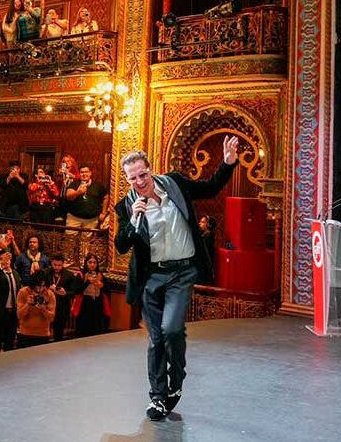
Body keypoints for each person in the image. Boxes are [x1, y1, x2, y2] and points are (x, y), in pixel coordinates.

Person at [114, 136, 239, 421]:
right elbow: (121, 245)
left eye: (143, 174)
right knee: (156, 338)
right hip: (151, 277)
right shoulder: (127, 206)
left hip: (182, 272)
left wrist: (228, 163)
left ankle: (177, 380)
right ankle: (158, 397)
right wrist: (133, 221)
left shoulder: (174, 184)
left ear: (150, 169)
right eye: (133, 178)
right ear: (127, 179)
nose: (139, 181)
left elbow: (209, 189)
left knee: (171, 329)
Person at [0, 249, 22, 353]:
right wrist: (0, 268)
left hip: (13, 312)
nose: (5, 261)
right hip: (0, 312)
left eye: (7, 258)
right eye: (2, 259)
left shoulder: (15, 274)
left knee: (10, 340)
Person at [72, 254, 110, 338]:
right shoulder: (81, 275)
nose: (92, 265)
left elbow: (107, 290)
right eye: (90, 262)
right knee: (83, 331)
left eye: (94, 263)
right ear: (86, 263)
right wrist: (87, 282)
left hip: (97, 307)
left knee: (96, 331)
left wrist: (102, 286)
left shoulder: (100, 275)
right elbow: (77, 290)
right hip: (84, 307)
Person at [16, 271, 55, 347]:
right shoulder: (23, 292)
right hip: (25, 334)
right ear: (33, 284)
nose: (41, 289)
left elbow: (51, 318)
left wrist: (43, 309)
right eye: (39, 286)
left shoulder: (49, 294)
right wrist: (28, 304)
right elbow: (19, 315)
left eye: (44, 286)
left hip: (43, 334)